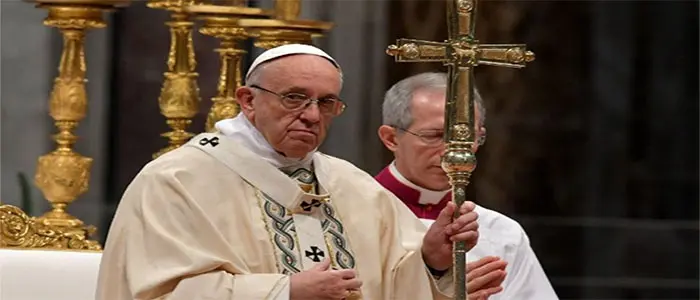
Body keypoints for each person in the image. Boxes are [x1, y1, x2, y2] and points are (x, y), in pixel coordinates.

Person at [95, 45, 481, 300]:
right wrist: (285, 292)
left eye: (326, 103)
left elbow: (397, 282)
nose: (312, 115)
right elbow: (156, 292)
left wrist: (432, 260)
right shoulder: (176, 181)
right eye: (294, 97)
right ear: (248, 100)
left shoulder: (352, 186)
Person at [376, 72, 560, 300]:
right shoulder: (347, 214)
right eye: (434, 136)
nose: (452, 153)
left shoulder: (501, 233)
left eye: (465, 139)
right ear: (391, 138)